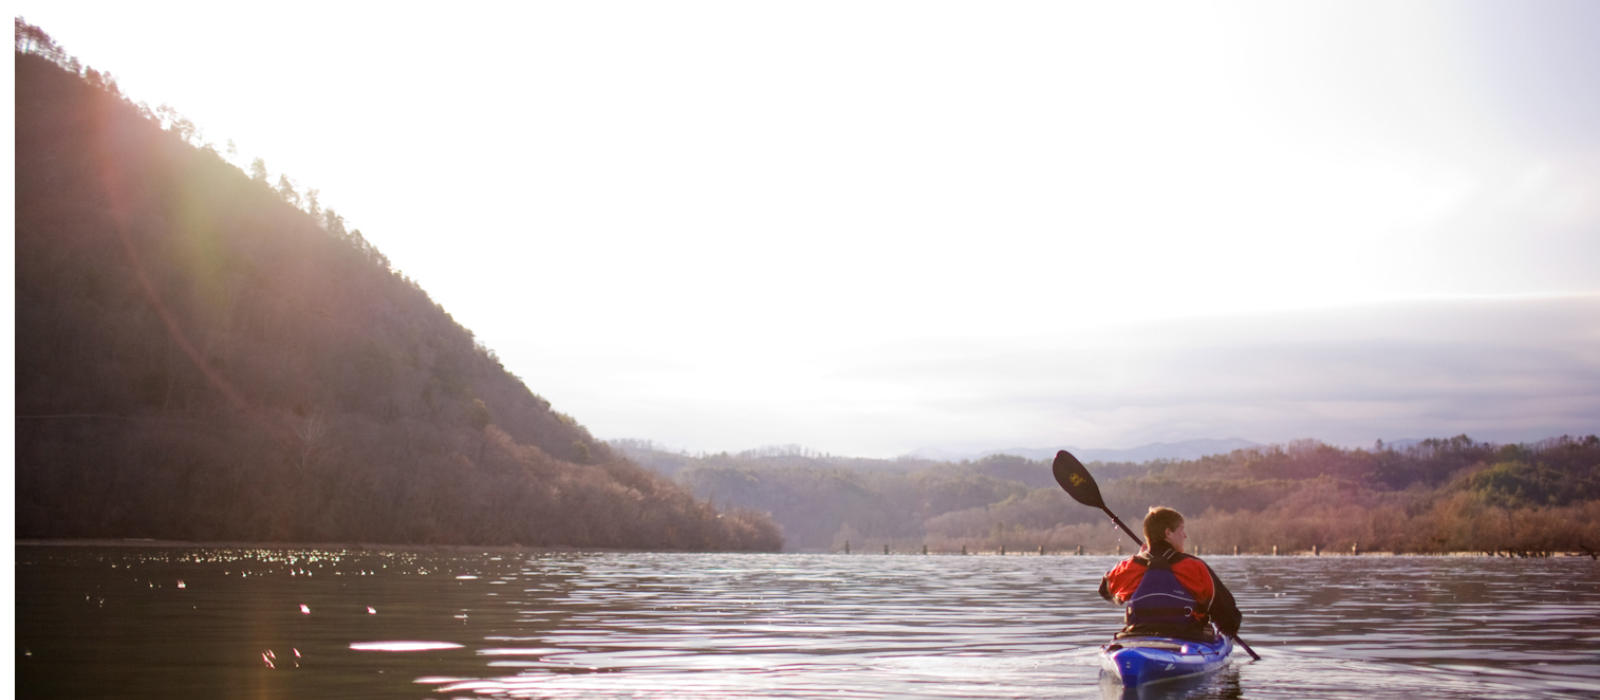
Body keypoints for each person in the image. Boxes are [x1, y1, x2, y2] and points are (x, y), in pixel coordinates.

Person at [1098, 506, 1243, 641]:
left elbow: (1105, 591)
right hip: (1188, 638)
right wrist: (1228, 630)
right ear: (1168, 533)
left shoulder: (1129, 567)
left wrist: (1138, 558)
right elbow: (1228, 614)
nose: (1185, 536)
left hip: (1139, 636)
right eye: (1181, 530)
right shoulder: (1195, 567)